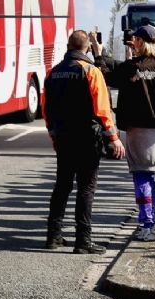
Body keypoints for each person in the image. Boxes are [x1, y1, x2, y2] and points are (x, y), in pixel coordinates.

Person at [43, 30, 126, 254]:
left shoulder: (53, 73)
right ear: (87, 48)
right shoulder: (91, 71)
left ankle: (53, 235)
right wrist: (114, 138)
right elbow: (102, 110)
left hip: (63, 136)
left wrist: (53, 134)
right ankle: (83, 240)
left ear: (68, 46)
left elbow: (46, 108)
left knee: (62, 186)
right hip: (87, 137)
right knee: (86, 188)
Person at [100, 24, 155, 242]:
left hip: (136, 130)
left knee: (142, 178)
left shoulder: (131, 67)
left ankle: (147, 226)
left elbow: (107, 75)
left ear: (138, 42)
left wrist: (98, 52)